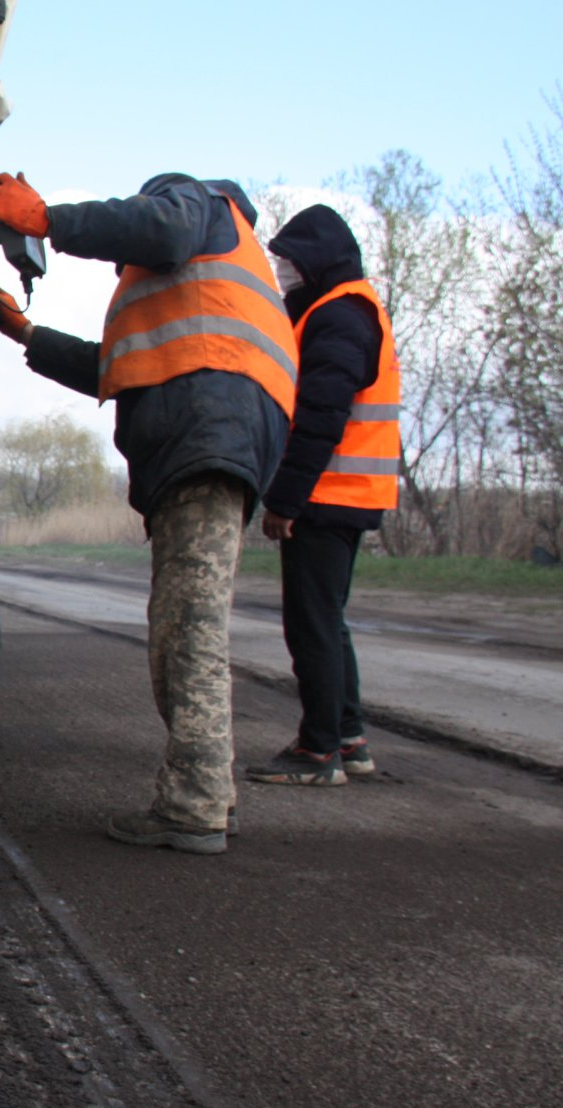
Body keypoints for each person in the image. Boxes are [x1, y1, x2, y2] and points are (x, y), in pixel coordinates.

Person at [0, 172, 294, 855]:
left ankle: (195, 806)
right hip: (209, 444)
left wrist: (48, 220)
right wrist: (27, 334)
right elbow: (116, 368)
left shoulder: (199, 207)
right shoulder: (204, 287)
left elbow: (159, 226)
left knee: (189, 633)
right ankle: (209, 791)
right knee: (179, 629)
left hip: (206, 441)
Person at [245, 205, 399, 786]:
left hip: (328, 493)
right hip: (348, 491)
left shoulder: (339, 316)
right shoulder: (346, 309)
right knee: (327, 621)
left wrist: (284, 500)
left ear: (317, 261)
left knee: (310, 623)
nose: (284, 272)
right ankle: (348, 738)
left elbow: (320, 418)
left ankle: (317, 753)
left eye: (290, 262)